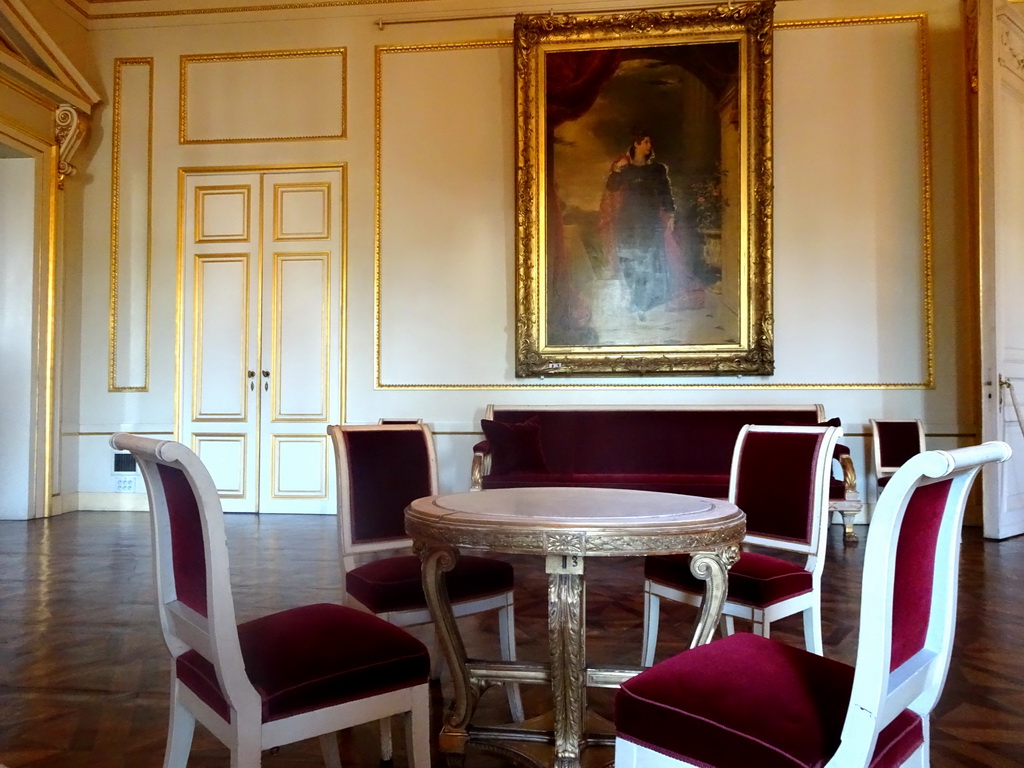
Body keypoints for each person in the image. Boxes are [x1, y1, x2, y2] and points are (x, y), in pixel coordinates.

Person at [598, 131, 677, 319]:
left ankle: (640, 300)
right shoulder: (625, 169)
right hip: (627, 219)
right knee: (627, 258)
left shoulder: (657, 169)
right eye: (646, 142)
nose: (649, 146)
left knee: (646, 259)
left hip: (648, 220)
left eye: (650, 142)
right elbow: (612, 187)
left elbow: (665, 193)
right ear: (636, 143)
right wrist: (616, 169)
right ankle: (635, 296)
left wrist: (671, 214)